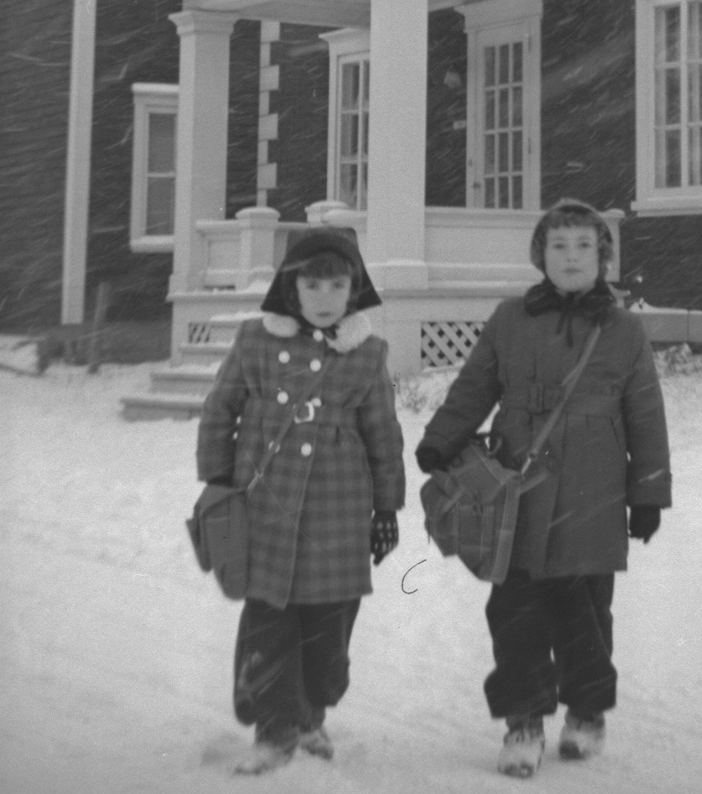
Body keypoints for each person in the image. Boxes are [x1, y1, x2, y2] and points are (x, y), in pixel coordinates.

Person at [416, 199, 671, 778]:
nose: (572, 257)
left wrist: (649, 492)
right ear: (541, 256)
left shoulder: (625, 330)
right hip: (520, 490)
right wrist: (441, 439)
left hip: (594, 489)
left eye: (584, 245)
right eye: (559, 246)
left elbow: (646, 415)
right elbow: (474, 385)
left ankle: (586, 713)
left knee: (586, 610)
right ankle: (524, 721)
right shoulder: (510, 318)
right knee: (516, 608)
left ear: (602, 256)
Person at [196, 227, 405, 775]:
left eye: (336, 286)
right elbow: (221, 409)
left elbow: (383, 435)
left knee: (328, 631)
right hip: (265, 506)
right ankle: (274, 728)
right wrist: (217, 477)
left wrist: (387, 509)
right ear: (291, 289)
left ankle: (311, 713)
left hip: (337, 514)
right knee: (270, 620)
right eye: (311, 285)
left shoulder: (367, 354)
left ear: (353, 290)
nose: (323, 297)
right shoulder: (254, 341)